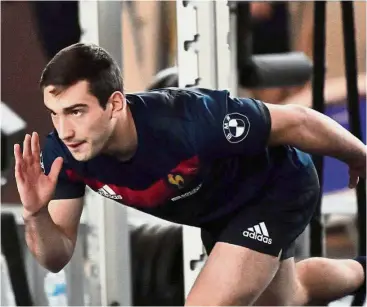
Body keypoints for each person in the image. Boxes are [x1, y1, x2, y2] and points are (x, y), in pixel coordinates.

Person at [14, 43, 365, 306]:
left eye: (76, 112)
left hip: (275, 188)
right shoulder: (63, 154)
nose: (65, 130)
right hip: (219, 213)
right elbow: (56, 258)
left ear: (115, 104)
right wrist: (36, 213)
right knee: (289, 296)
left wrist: (359, 157)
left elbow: (298, 121)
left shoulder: (190, 120)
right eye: (55, 114)